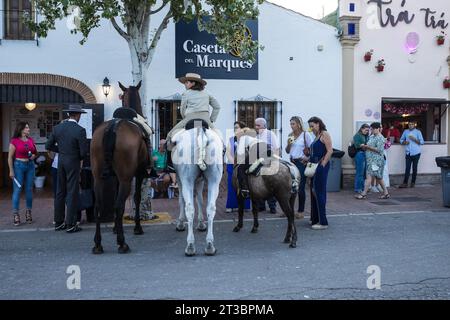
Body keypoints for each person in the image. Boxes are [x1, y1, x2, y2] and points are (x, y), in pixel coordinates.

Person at [46, 104, 88, 233]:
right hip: (73, 162)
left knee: (60, 191)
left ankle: (58, 222)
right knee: (72, 192)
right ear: (78, 115)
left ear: (69, 114)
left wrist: (62, 150)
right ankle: (71, 224)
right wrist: (73, 153)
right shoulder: (80, 130)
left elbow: (48, 145)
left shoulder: (57, 128)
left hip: (61, 161)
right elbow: (83, 153)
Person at [165, 73, 221, 171]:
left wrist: (185, 119)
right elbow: (217, 107)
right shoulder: (207, 93)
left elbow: (182, 109)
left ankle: (170, 165)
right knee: (220, 139)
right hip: (205, 120)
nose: (185, 84)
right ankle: (219, 164)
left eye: (187, 82)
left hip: (189, 119)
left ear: (193, 83)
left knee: (169, 136)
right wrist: (211, 120)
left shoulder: (186, 94)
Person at [8, 122, 37, 226]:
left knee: (29, 189)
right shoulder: (14, 141)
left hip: (30, 166)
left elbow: (34, 152)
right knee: (17, 190)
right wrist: (11, 170)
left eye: (28, 127)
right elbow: (9, 157)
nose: (28, 129)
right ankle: (16, 214)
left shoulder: (30, 140)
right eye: (27, 128)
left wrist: (33, 156)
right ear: (21, 129)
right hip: (18, 166)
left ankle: (28, 212)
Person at [307, 117, 333, 230]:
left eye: (312, 126)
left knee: (319, 192)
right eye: (310, 126)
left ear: (318, 124)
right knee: (313, 192)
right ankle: (315, 218)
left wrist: (323, 164)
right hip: (313, 165)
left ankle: (323, 222)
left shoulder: (324, 134)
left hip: (320, 166)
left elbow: (330, 150)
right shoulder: (316, 136)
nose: (311, 128)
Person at [285, 116, 312, 219]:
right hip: (292, 163)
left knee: (300, 187)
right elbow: (287, 151)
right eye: (290, 124)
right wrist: (288, 144)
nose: (291, 126)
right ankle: (288, 209)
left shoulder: (306, 135)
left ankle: (300, 211)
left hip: (301, 163)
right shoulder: (290, 135)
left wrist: (307, 157)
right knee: (289, 187)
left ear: (299, 124)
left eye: (293, 124)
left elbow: (311, 148)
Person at [355, 122, 390, 200]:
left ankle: (364, 193)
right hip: (370, 160)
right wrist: (364, 146)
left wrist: (368, 147)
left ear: (378, 129)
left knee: (370, 177)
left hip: (376, 161)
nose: (372, 130)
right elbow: (369, 146)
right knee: (378, 178)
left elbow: (379, 150)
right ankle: (386, 193)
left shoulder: (380, 138)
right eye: (371, 129)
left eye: (373, 129)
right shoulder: (372, 137)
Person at [254, 118, 279, 214]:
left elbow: (276, 148)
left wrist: (274, 161)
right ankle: (261, 205)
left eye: (258, 125)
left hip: (269, 162)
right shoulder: (256, 135)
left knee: (270, 184)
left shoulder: (270, 134)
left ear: (264, 126)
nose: (256, 127)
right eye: (255, 125)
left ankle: (272, 206)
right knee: (260, 184)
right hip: (258, 162)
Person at [226, 121, 250, 213]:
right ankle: (231, 205)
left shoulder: (247, 139)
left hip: (243, 166)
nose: (235, 129)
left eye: (237, 127)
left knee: (244, 185)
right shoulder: (231, 139)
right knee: (232, 185)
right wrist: (234, 163)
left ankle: (245, 206)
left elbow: (249, 152)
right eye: (234, 127)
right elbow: (228, 152)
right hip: (232, 165)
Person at [399, 121, 424, 188]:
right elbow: (401, 140)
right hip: (408, 153)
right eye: (409, 124)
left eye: (412, 124)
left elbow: (422, 142)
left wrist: (414, 139)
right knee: (407, 168)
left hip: (416, 153)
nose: (410, 125)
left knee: (414, 168)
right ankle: (405, 183)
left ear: (414, 125)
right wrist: (404, 142)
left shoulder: (418, 132)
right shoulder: (405, 131)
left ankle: (413, 182)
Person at [352, 123, 370, 194]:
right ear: (362, 129)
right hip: (359, 154)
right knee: (360, 172)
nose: (367, 132)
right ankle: (358, 188)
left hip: (365, 154)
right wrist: (366, 146)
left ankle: (363, 188)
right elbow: (357, 145)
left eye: (368, 130)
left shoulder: (365, 136)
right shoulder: (357, 135)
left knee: (364, 173)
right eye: (366, 130)